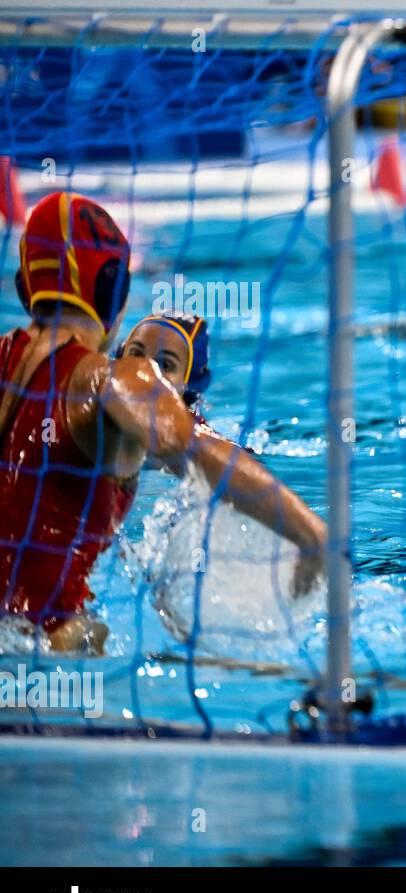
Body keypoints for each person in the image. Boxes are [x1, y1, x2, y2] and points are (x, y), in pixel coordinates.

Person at [0, 192, 327, 653]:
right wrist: (312, 536)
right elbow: (191, 447)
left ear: (23, 285)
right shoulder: (112, 377)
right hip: (55, 647)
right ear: (113, 289)